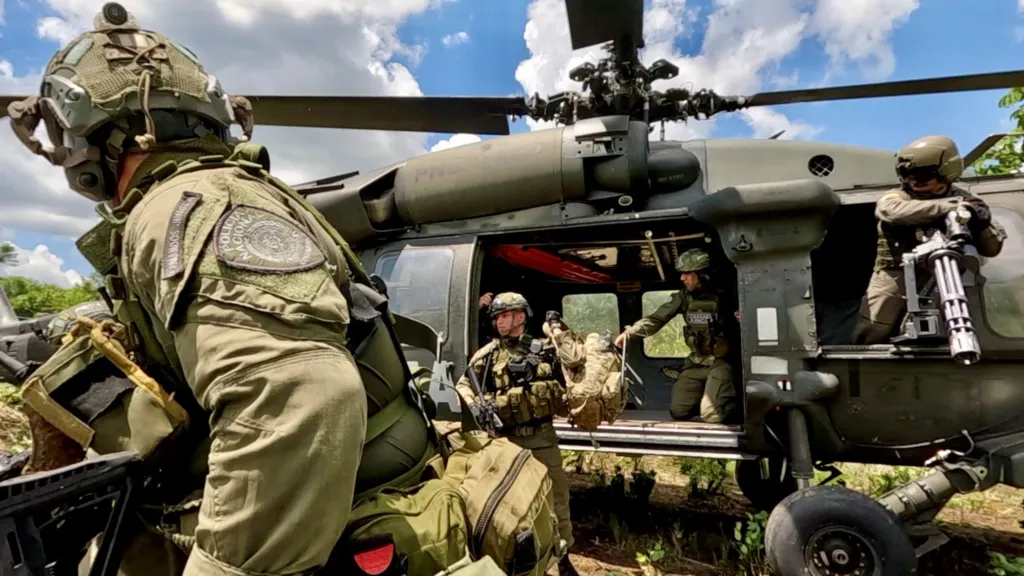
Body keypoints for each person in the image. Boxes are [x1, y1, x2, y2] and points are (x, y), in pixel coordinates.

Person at [6, 4, 447, 575]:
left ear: (82, 138)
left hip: (333, 528)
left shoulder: (189, 206)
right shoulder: (220, 197)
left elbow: (298, 396)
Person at [454, 292, 581, 576]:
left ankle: (563, 557)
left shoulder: (545, 349)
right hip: (506, 443)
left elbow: (573, 375)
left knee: (557, 500)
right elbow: (463, 384)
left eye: (505, 315)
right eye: (496, 317)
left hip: (542, 438)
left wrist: (559, 333)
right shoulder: (487, 356)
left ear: (520, 316)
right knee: (509, 505)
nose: (499, 322)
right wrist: (476, 405)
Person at [853, 135, 1007, 344]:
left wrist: (979, 222)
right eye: (908, 174)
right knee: (875, 322)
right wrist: (950, 207)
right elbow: (889, 210)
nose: (914, 180)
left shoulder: (967, 200)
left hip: (944, 269)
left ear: (945, 173)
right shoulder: (899, 197)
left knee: (954, 316)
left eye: (923, 175)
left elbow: (992, 248)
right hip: (896, 270)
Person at [614, 248, 739, 424]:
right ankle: (707, 399)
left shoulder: (727, 296)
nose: (682, 278)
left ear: (703, 275)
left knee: (711, 416)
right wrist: (631, 332)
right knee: (679, 412)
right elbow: (657, 318)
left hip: (721, 363)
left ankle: (734, 406)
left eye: (687, 273)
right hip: (696, 363)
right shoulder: (684, 297)